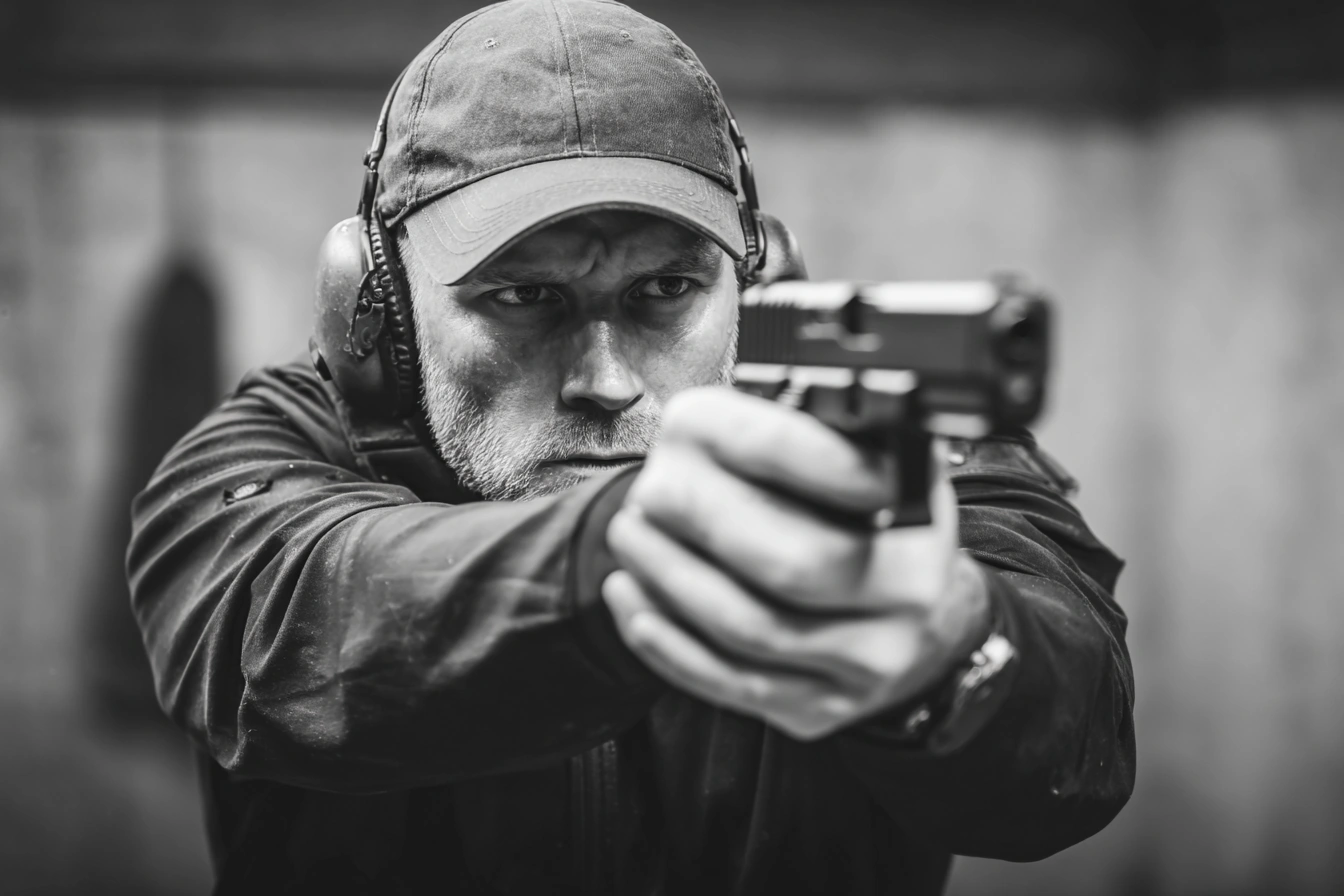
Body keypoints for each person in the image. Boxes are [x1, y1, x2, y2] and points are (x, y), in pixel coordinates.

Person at [127, 1, 1134, 893]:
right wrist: (655, 546)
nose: (606, 379)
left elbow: (1072, 727)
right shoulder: (269, 454)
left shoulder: (882, 442)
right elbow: (295, 632)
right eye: (525, 295)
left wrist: (950, 647)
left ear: (756, 285)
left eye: (665, 290)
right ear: (379, 310)